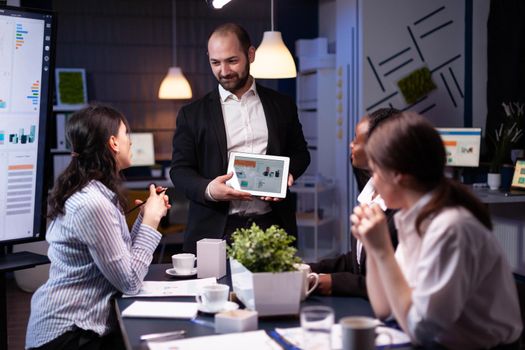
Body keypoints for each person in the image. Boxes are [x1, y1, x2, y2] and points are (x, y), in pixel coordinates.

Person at [351, 112, 522, 349]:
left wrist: (382, 250)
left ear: (398, 176)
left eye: (376, 171)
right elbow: (384, 309)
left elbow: (422, 330)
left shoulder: (451, 228)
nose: (374, 182)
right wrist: (371, 245)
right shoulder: (410, 218)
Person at [26, 105, 171, 350]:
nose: (131, 142)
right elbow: (129, 281)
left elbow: (123, 260)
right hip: (68, 334)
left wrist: (143, 217)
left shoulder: (95, 193)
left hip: (83, 326)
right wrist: (151, 222)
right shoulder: (92, 203)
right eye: (127, 135)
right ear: (114, 142)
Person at [170, 23, 310, 253]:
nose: (223, 71)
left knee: (274, 289)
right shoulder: (191, 114)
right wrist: (209, 189)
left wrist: (287, 174)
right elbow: (180, 170)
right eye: (215, 63)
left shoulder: (282, 105)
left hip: (272, 225)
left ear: (251, 54)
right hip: (215, 229)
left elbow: (300, 153)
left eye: (232, 61)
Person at [309, 108, 399, 297]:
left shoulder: (401, 212)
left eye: (356, 139)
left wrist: (335, 283)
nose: (351, 145)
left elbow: (394, 285)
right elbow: (357, 262)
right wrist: (309, 268)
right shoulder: (368, 195)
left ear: (380, 146)